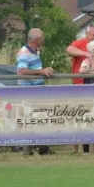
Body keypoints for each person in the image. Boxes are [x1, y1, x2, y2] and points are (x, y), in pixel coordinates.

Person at [67, 25, 94, 153]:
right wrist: (86, 53)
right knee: (78, 119)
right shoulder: (80, 43)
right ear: (87, 34)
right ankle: (75, 148)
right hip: (79, 86)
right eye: (93, 35)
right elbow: (69, 49)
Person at [16, 28, 54, 156]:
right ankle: (29, 148)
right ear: (37, 40)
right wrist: (41, 71)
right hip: (28, 92)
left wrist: (43, 71)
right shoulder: (25, 53)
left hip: (36, 90)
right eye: (42, 38)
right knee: (30, 119)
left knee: (40, 118)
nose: (44, 40)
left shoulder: (35, 51)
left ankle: (42, 148)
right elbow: (21, 71)